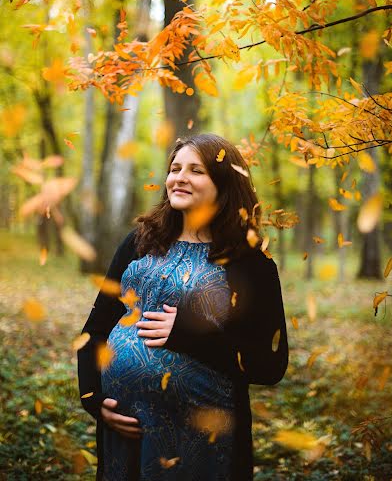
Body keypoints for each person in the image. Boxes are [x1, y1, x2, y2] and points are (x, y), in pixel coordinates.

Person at [78, 132, 289, 481]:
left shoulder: (250, 263)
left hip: (202, 444)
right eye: (175, 168)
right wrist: (94, 399)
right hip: (125, 439)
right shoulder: (140, 241)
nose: (180, 177)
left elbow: (270, 364)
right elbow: (95, 330)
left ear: (224, 183)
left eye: (196, 170)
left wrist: (188, 334)